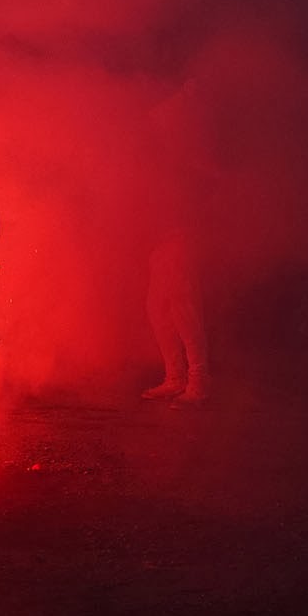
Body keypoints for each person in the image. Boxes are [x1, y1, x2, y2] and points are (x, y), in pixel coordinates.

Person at [137, 94, 210, 408]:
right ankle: (176, 378)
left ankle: (198, 383)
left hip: (179, 242)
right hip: (161, 246)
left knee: (185, 313)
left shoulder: (188, 160)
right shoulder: (163, 162)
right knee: (158, 312)